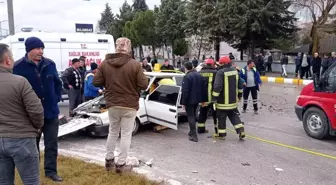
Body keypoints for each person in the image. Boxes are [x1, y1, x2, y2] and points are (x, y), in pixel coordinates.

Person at [93, 37, 148, 173]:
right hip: (129, 104)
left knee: (112, 131)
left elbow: (96, 82)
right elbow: (144, 85)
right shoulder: (135, 64)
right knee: (125, 134)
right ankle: (121, 164)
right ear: (129, 48)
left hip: (112, 103)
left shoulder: (105, 63)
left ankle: (109, 160)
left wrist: (108, 82)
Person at [13, 37, 63, 182]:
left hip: (50, 112)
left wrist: (56, 98)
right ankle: (32, 172)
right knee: (31, 146)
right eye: (37, 48)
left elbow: (58, 84)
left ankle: (51, 171)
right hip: (29, 115)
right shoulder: (18, 67)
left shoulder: (50, 64)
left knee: (51, 143)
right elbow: (14, 89)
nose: (41, 51)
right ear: (29, 49)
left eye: (42, 48)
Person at [0, 43, 44, 185]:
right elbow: (36, 110)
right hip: (22, 138)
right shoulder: (20, 82)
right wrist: (37, 128)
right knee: (31, 181)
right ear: (7, 60)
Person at [212, 56, 245, 140]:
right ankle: (241, 131)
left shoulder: (220, 72)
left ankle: (222, 135)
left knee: (221, 117)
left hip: (222, 102)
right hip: (233, 101)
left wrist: (214, 98)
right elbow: (240, 84)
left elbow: (217, 86)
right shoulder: (235, 71)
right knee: (234, 116)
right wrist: (240, 95)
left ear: (222, 63)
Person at [181, 62, 206, 142]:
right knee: (194, 115)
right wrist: (203, 100)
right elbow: (204, 89)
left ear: (185, 68)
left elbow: (185, 91)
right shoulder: (199, 75)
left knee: (190, 116)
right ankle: (191, 131)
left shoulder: (187, 77)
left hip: (189, 100)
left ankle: (194, 135)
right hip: (197, 100)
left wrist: (183, 102)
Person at [197, 58, 218, 137]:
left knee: (202, 113)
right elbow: (217, 85)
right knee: (215, 115)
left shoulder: (199, 72)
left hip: (203, 98)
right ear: (212, 64)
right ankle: (217, 131)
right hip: (212, 99)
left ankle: (200, 129)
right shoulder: (215, 72)